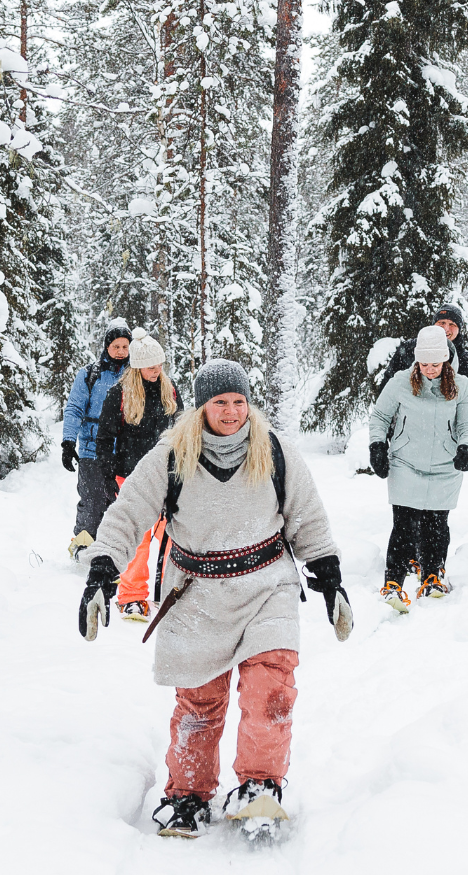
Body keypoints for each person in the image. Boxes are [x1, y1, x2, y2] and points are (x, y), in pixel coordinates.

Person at [78, 360, 351, 839]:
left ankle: (260, 788)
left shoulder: (275, 451)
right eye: (220, 402)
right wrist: (102, 573)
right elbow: (128, 513)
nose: (231, 412)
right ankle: (188, 793)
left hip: (267, 586)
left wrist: (330, 580)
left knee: (270, 692)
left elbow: (308, 519)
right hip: (195, 592)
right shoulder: (172, 454)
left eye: (239, 402)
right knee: (199, 703)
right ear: (201, 406)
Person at [369, 325, 468, 612]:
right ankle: (393, 582)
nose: (430, 370)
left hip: (445, 466)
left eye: (435, 364)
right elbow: (380, 416)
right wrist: (377, 446)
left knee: (436, 525)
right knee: (403, 524)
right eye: (424, 363)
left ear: (445, 360)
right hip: (406, 462)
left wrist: (467, 448)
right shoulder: (400, 382)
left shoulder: (462, 386)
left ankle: (432, 577)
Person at [94, 331, 181, 621]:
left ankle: (170, 592)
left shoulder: (170, 390)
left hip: (167, 477)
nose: (157, 370)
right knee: (139, 540)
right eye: (151, 366)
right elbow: (104, 439)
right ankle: (131, 597)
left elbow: (183, 431)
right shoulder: (118, 394)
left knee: (172, 538)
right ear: (138, 366)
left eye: (160, 365)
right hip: (130, 478)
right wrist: (107, 477)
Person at [61, 322, 130, 560]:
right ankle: (83, 549)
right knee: (92, 501)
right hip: (91, 450)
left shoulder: (136, 375)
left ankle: (113, 553)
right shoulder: (90, 374)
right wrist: (68, 442)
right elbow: (74, 408)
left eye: (125, 346)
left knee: (120, 505)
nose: (120, 351)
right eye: (116, 346)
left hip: (124, 452)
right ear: (106, 347)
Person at [382, 303, 468, 438]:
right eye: (442, 322)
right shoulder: (409, 350)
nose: (446, 328)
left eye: (452, 324)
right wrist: (386, 434)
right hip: (408, 439)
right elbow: (387, 392)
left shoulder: (467, 361)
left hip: (448, 443)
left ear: (459, 329)